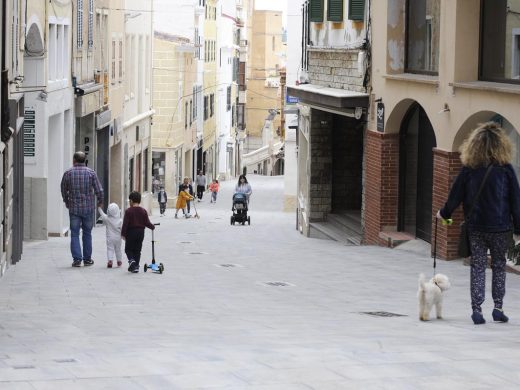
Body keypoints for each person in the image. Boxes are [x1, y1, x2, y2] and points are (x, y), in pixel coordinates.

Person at [437, 122, 520, 325]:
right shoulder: (506, 170)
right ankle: (498, 309)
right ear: (501, 145)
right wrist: (518, 227)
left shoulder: (469, 169)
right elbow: (516, 201)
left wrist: (444, 213)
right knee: (499, 266)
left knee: (478, 267)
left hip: (476, 227)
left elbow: (454, 196)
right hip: (501, 228)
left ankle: (477, 310)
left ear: (474, 145)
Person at [61, 151, 104, 267]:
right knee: (87, 233)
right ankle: (87, 259)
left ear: (74, 160)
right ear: (85, 161)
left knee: (74, 234)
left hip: (74, 208)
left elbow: (63, 189)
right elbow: (99, 190)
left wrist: (66, 200)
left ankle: (77, 259)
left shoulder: (68, 173)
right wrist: (100, 201)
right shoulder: (91, 173)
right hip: (88, 208)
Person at [121, 191, 155, 273]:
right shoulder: (143, 211)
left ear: (131, 201)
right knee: (137, 250)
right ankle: (136, 266)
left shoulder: (128, 211)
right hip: (140, 233)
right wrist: (152, 227)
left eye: (130, 201)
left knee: (128, 249)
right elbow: (146, 222)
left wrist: (123, 234)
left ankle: (131, 261)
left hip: (131, 232)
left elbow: (125, 224)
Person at [98, 203, 123, 268]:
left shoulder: (107, 219)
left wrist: (99, 208)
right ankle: (119, 261)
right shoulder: (120, 220)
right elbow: (123, 229)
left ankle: (110, 260)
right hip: (118, 238)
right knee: (118, 250)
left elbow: (102, 214)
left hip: (110, 238)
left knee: (110, 249)